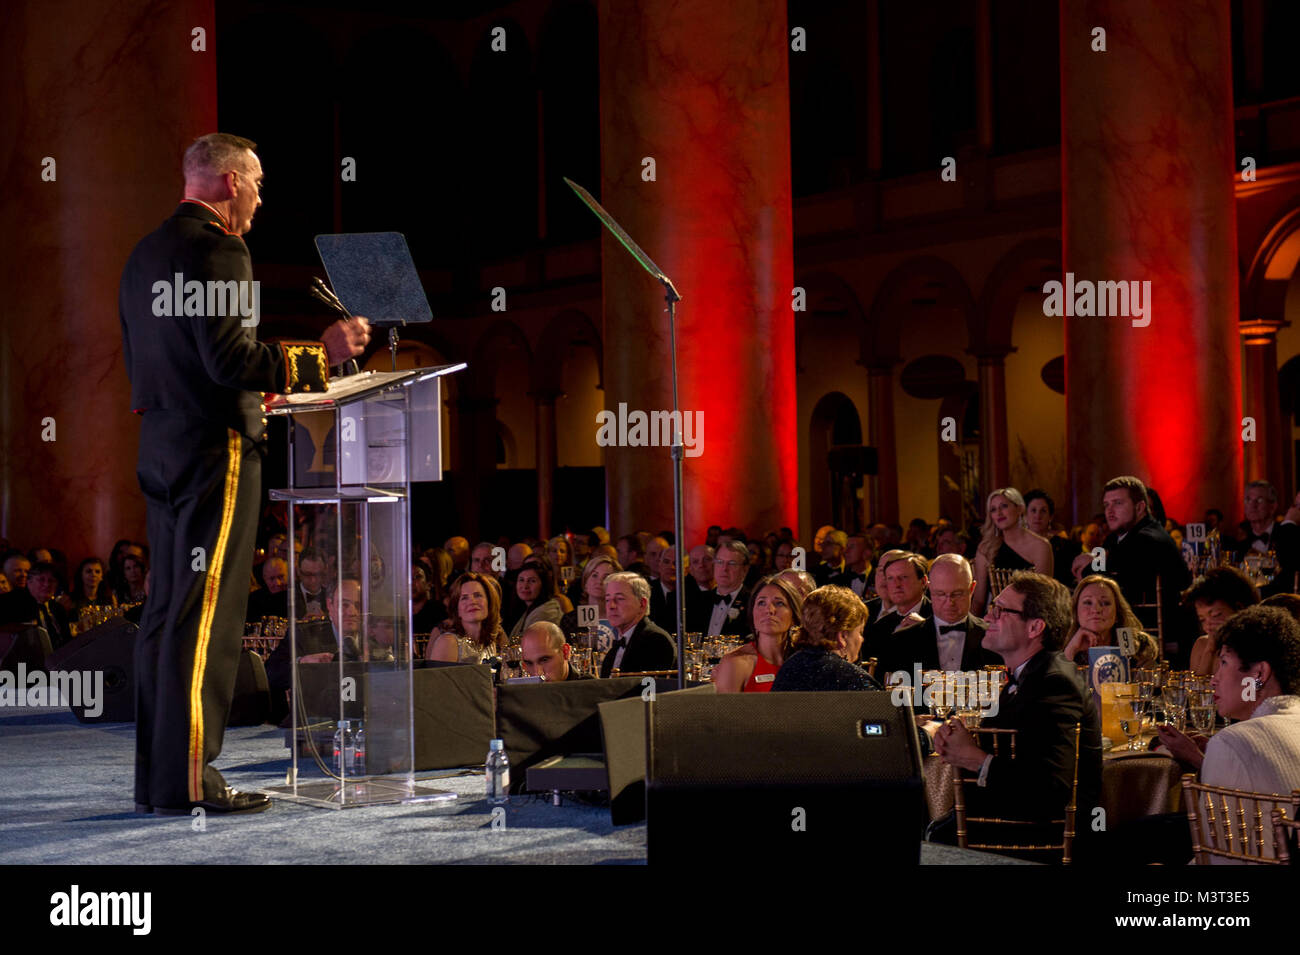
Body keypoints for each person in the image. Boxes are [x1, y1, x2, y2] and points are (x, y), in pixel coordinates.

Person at [120, 132, 369, 816]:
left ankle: (162, 777)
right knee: (208, 618)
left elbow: (172, 361)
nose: (260, 197)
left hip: (161, 445)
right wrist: (317, 357)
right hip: (214, 454)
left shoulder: (144, 255)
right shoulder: (221, 248)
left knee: (168, 614)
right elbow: (229, 358)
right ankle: (194, 779)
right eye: (256, 182)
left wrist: (258, 390)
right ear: (230, 183)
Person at [933, 572, 1103, 855]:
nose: (987, 617)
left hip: (1032, 839)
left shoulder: (1053, 682)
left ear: (1035, 627)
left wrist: (974, 758)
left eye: (1000, 611)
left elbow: (1051, 789)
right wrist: (959, 743)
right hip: (1007, 823)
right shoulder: (1028, 675)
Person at [1156, 606, 1300, 861]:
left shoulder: (1232, 742)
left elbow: (1221, 860)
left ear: (1258, 675)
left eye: (1224, 662)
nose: (1214, 679)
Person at [1070, 475, 1191, 657]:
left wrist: (1091, 562)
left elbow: (1097, 579)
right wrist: (1094, 557)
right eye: (1106, 505)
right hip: (1127, 627)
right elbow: (1100, 563)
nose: (1109, 511)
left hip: (1149, 638)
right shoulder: (1119, 536)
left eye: (1118, 503)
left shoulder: (1146, 539)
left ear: (1140, 507)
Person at [879, 554, 995, 680]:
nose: (949, 602)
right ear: (929, 589)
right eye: (940, 594)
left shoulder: (993, 636)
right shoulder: (901, 641)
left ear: (972, 589)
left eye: (957, 594)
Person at [770, 585, 881, 692]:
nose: (862, 639)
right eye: (860, 632)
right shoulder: (854, 679)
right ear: (842, 636)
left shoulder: (789, 667)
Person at [712, 574, 803, 693]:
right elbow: (724, 711)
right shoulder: (735, 663)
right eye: (761, 603)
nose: (769, 610)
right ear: (752, 612)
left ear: (794, 616)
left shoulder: (804, 660)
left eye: (779, 603)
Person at [972, 487, 1053, 613]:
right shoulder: (986, 548)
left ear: (1020, 509)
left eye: (1004, 506)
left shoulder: (1041, 546)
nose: (999, 513)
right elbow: (979, 600)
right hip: (995, 618)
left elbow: (1044, 595)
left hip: (1030, 617)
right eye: (993, 509)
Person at [1061, 574, 1159, 668]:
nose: (1096, 610)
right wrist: (1071, 650)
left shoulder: (1138, 644)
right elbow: (1056, 682)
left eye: (1105, 603)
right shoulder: (1062, 645)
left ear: (1117, 613)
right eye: (1088, 602)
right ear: (1076, 613)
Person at [1181, 567, 1260, 677]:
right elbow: (1196, 690)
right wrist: (1210, 650)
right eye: (1202, 619)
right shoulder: (1202, 645)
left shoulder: (1257, 648)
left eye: (1216, 615)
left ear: (1240, 609)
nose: (1208, 625)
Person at [599, 572, 675, 677]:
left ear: (642, 604)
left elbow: (650, 691)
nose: (611, 606)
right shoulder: (615, 648)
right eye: (607, 600)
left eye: (620, 599)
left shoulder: (656, 641)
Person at [1232, 481, 1299, 597]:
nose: (1253, 505)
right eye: (1248, 500)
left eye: (1259, 500)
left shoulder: (1288, 536)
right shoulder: (1239, 547)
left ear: (1273, 506)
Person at [425, 572, 506, 664]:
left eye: (477, 595)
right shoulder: (448, 642)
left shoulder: (490, 642)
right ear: (457, 609)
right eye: (464, 598)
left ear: (489, 602)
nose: (472, 602)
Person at [1024, 489, 1079, 589]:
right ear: (1025, 516)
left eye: (1043, 511)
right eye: (1033, 510)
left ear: (1050, 517)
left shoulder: (1066, 547)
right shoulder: (1017, 546)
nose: (1038, 516)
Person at [558, 554, 622, 636]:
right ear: (585, 583)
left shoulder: (623, 619)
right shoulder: (570, 620)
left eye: (606, 577)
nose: (599, 581)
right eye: (594, 575)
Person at [706, 541, 752, 637]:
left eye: (732, 563)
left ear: (745, 569)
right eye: (720, 562)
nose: (724, 568)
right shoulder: (698, 600)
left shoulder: (752, 603)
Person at [508, 560, 564, 638]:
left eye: (532, 581)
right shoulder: (530, 609)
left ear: (543, 584)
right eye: (521, 580)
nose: (525, 586)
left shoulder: (547, 613)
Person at [520, 621, 591, 681]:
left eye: (544, 660)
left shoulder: (591, 690)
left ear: (565, 652)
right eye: (529, 663)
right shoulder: (524, 694)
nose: (538, 673)